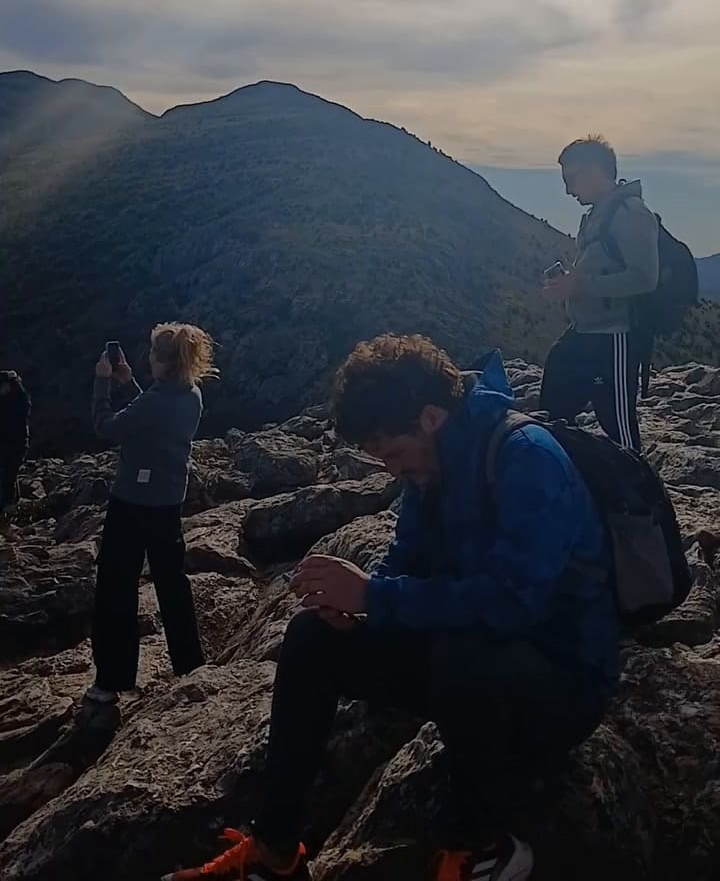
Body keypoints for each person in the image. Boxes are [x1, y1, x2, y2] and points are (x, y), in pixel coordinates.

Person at [165, 335, 619, 881]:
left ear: (431, 417)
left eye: (395, 454)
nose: (394, 470)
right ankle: (275, 852)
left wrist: (375, 598)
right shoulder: (432, 467)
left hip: (561, 682)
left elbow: (514, 604)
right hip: (475, 664)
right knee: (312, 639)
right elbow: (407, 559)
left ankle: (483, 850)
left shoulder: (526, 458)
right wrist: (358, 608)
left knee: (462, 653)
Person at [85, 323, 217, 707]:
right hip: (168, 502)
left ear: (163, 360)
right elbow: (153, 413)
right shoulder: (190, 394)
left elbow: (106, 427)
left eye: (152, 352)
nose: (147, 358)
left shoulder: (157, 401)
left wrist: (103, 382)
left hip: (132, 503)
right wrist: (129, 384)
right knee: (172, 583)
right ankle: (190, 664)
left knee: (116, 587)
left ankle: (111, 681)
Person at [540, 134, 659, 451]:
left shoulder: (631, 214)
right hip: (584, 331)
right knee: (553, 407)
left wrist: (580, 285)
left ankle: (637, 481)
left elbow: (644, 279)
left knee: (619, 430)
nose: (568, 190)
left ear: (594, 171)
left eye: (571, 179)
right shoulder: (598, 215)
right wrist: (570, 285)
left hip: (614, 337)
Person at [0, 370, 30, 516]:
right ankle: (11, 503)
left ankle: (8, 507)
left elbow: (13, 423)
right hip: (10, 442)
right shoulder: (15, 399)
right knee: (9, 474)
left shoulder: (18, 401)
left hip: (16, 443)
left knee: (8, 474)